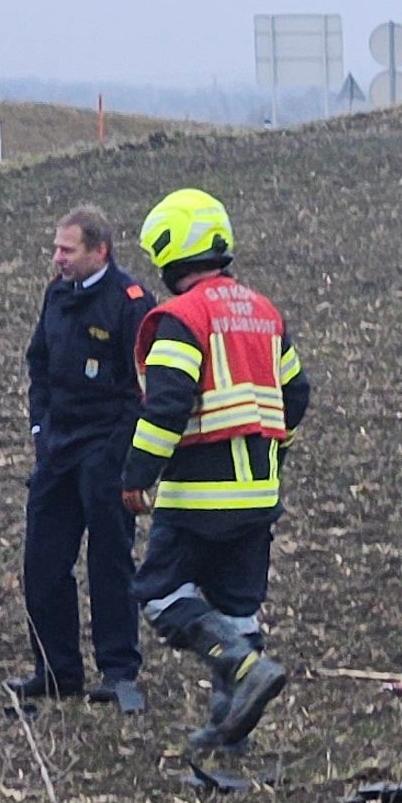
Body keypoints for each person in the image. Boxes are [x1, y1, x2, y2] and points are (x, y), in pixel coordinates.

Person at [120, 188, 305, 765]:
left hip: (198, 492)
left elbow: (168, 403)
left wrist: (137, 475)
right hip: (258, 492)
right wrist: (274, 449)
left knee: (159, 595)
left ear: (171, 253)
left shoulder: (183, 318)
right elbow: (296, 393)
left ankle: (245, 668)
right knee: (236, 608)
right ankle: (231, 732)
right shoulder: (263, 311)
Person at [7, 205, 154, 712]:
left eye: (67, 250)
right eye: (56, 249)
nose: (57, 259)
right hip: (58, 448)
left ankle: (118, 672)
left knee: (109, 562)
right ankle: (55, 670)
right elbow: (38, 364)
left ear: (100, 251)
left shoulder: (131, 303)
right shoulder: (56, 295)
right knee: (43, 563)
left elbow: (144, 387)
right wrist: (40, 427)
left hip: (106, 449)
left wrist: (122, 452)